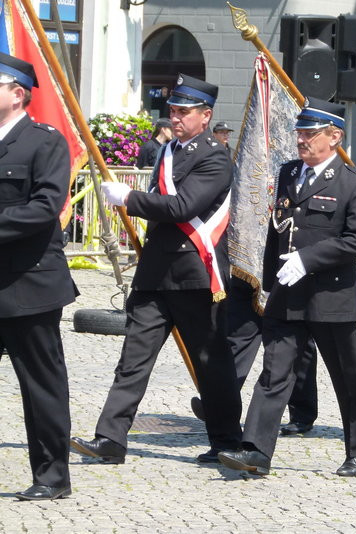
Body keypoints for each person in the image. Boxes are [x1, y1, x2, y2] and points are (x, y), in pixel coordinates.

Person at [71, 73, 243, 465]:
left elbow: (183, 208)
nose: (176, 118)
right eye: (173, 111)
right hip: (156, 275)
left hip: (196, 275)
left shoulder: (215, 156)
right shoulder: (167, 153)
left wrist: (130, 198)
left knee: (211, 361)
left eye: (185, 111)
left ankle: (227, 440)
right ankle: (110, 438)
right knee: (133, 359)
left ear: (206, 115)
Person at [218, 98, 356, 477]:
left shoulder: (353, 183)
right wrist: (268, 283)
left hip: (330, 298)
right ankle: (255, 449)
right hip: (288, 297)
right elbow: (278, 234)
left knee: (347, 377)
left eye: (310, 133)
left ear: (334, 137)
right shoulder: (289, 173)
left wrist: (309, 260)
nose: (301, 140)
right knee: (275, 373)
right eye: (299, 132)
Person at [0, 52, 78, 500]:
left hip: (28, 284)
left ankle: (52, 477)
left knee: (41, 386)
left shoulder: (44, 141)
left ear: (17, 92)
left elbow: (45, 206)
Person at [189, 274, 320, 437]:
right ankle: (218, 403)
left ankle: (302, 412)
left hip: (288, 272)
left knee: (294, 342)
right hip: (245, 269)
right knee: (236, 338)